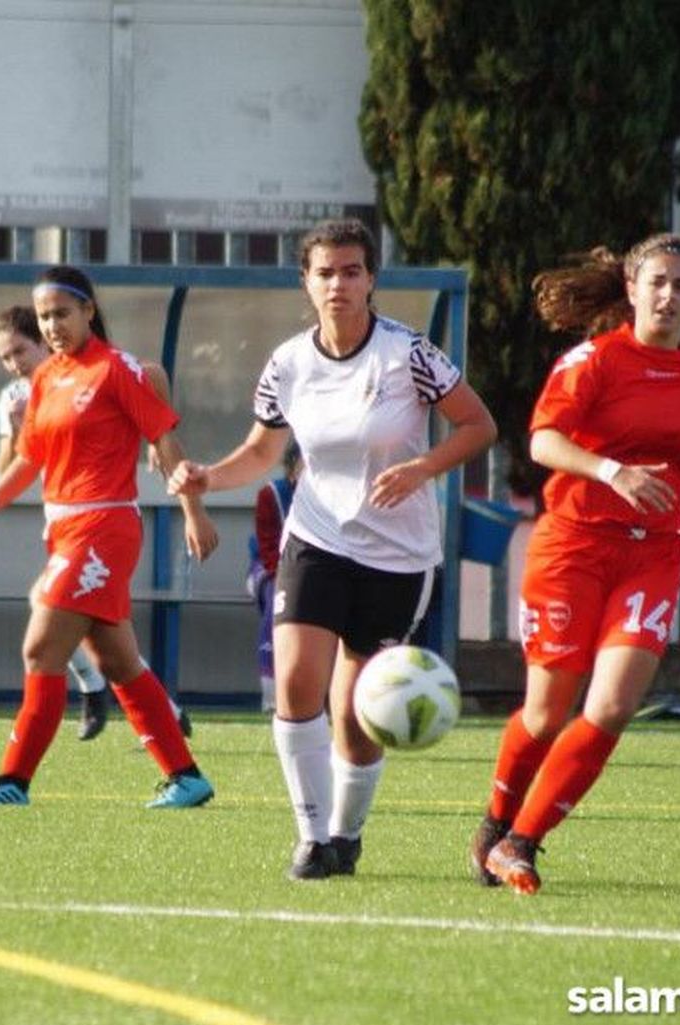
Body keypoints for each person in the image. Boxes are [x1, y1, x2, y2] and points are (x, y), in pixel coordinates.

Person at [169, 218, 496, 879]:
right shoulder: (288, 363)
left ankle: (346, 833)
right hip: (317, 536)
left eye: (351, 271)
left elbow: (479, 424)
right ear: (306, 282)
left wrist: (424, 468)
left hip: (398, 556)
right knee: (295, 684)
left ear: (372, 279)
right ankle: (312, 836)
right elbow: (262, 451)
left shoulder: (408, 354)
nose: (338, 283)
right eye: (325, 272)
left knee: (353, 713)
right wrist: (207, 476)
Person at [469, 234, 680, 896]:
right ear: (631, 289)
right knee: (547, 713)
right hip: (574, 546)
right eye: (657, 281)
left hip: (652, 554)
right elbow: (544, 440)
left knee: (610, 705)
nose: (668, 295)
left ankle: (522, 841)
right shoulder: (593, 360)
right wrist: (612, 471)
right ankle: (495, 821)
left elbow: (675, 464)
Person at [0, 267, 218, 807]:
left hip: (104, 527)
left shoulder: (116, 370)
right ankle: (187, 778)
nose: (52, 325)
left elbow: (165, 440)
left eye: (62, 314)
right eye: (45, 316)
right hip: (66, 528)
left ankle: (13, 781)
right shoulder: (47, 377)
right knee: (117, 662)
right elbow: (31, 457)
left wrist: (194, 511)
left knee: (40, 649)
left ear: (89, 311)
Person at [0, 305, 192, 742]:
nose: (14, 364)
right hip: (62, 521)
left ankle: (77, 709)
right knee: (112, 645)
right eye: (5, 358)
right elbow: (12, 465)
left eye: (20, 351)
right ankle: (171, 732)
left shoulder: (94, 369)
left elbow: (150, 374)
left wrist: (157, 435)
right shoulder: (17, 395)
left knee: (47, 624)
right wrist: (12, 437)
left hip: (101, 520)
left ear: (43, 341)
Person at [246, 441, 301, 712]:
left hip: (312, 570)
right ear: (292, 467)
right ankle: (270, 694)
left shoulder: (332, 496)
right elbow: (267, 546)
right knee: (277, 598)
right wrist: (286, 577)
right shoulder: (272, 494)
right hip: (269, 569)